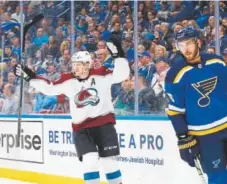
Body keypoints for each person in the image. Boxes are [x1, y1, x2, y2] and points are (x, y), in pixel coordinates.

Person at [14, 38, 129, 184]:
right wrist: (30, 76)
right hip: (81, 129)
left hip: (104, 125)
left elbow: (122, 75)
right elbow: (49, 87)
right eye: (74, 65)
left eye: (79, 65)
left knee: (110, 163)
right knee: (89, 161)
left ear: (88, 65)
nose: (75, 68)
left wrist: (118, 57)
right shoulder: (68, 80)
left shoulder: (101, 74)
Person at [164, 26, 227, 184]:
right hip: (205, 136)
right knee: (218, 178)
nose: (185, 49)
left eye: (188, 43)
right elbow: (175, 111)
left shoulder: (217, 62)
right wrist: (184, 138)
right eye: (181, 45)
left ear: (198, 42)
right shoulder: (175, 74)